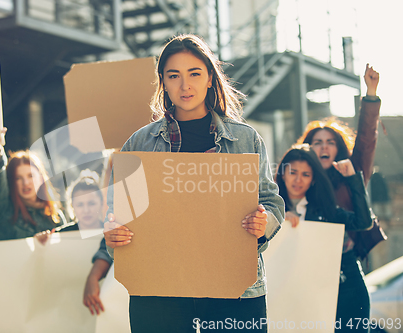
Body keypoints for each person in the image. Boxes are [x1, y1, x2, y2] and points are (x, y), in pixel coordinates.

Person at [103, 34, 285, 333]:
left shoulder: (245, 139)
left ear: (210, 78)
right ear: (163, 81)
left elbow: (271, 201)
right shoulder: (138, 144)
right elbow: (117, 214)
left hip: (233, 289)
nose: (184, 85)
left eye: (194, 74)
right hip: (159, 290)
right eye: (174, 76)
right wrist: (114, 233)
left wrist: (263, 223)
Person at [296, 64, 381, 332]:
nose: (324, 146)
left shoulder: (350, 173)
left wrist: (370, 94)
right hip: (307, 269)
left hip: (346, 266)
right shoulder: (296, 179)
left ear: (338, 148)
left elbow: (367, 140)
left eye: (330, 142)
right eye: (317, 142)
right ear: (308, 148)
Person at [0, 128, 66, 241]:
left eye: (30, 176)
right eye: (18, 178)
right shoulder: (3, 210)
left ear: (41, 178)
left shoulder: (55, 217)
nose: (25, 183)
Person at [67, 170, 112, 316]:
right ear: (72, 206)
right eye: (80, 204)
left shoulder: (110, 231)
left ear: (101, 203)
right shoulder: (60, 235)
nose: (86, 210)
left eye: (91, 203)